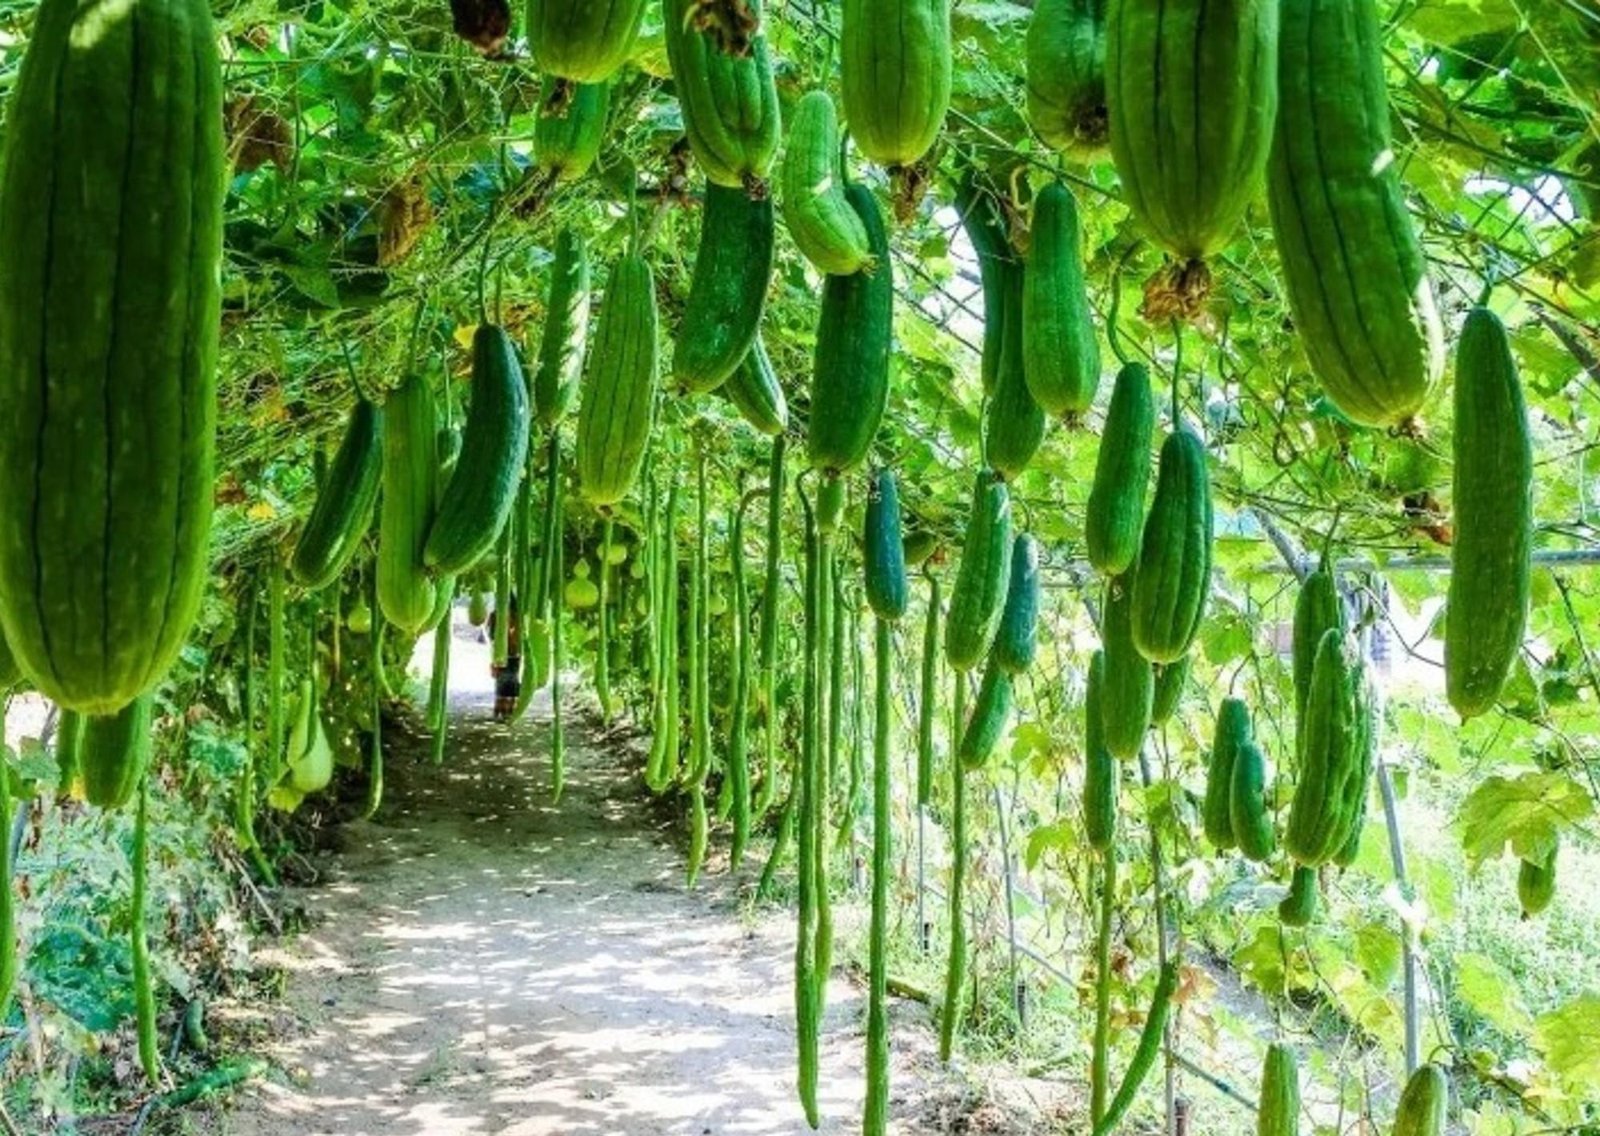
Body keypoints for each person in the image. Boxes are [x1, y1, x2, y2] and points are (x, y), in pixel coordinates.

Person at [487, 595, 521, 720]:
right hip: (513, 653)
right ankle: (508, 711)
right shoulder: (517, 617)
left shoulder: (496, 615)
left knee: (502, 681)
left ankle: (501, 710)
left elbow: (491, 635)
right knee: (511, 681)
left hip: (501, 653)